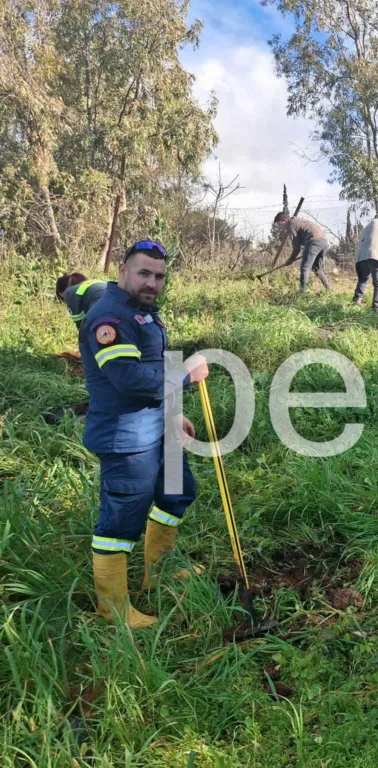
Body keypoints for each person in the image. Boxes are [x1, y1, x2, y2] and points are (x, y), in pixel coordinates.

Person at [79, 240, 209, 628]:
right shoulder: (111, 318)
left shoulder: (145, 313)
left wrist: (173, 414)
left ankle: (161, 570)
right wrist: (186, 376)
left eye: (159, 276)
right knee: (120, 525)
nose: (152, 282)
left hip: (158, 428)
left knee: (177, 493)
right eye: (144, 273)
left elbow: (152, 367)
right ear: (123, 271)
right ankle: (114, 609)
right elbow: (129, 379)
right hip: (127, 438)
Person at [273, 212, 331, 292]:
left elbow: (296, 248)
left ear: (285, 220)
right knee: (316, 268)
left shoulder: (291, 225)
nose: (280, 227)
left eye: (280, 224)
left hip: (313, 241)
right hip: (324, 241)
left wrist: (290, 260)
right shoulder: (297, 220)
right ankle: (328, 290)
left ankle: (303, 293)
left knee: (305, 268)